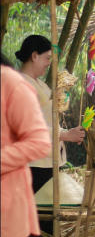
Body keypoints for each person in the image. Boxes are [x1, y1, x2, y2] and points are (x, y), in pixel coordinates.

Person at [1, 53, 51, 237]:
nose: (48, 63)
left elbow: (40, 141)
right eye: (46, 58)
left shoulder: (11, 83)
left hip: (9, 221)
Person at [15, 35, 85, 195]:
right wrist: (64, 135)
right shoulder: (20, 84)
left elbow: (47, 120)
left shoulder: (40, 85)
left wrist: (66, 133)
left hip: (47, 161)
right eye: (47, 58)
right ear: (34, 56)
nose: (49, 63)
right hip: (32, 164)